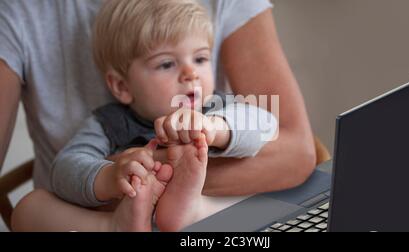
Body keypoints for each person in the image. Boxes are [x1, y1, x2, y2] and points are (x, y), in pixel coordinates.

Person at [0, 0, 316, 232]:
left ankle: (189, 208)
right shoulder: (108, 123)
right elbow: (65, 168)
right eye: (167, 64)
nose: (191, 74)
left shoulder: (214, 109)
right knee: (29, 209)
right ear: (122, 86)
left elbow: (264, 123)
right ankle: (115, 226)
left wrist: (216, 129)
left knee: (255, 203)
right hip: (123, 212)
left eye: (201, 58)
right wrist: (111, 176)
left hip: (201, 218)